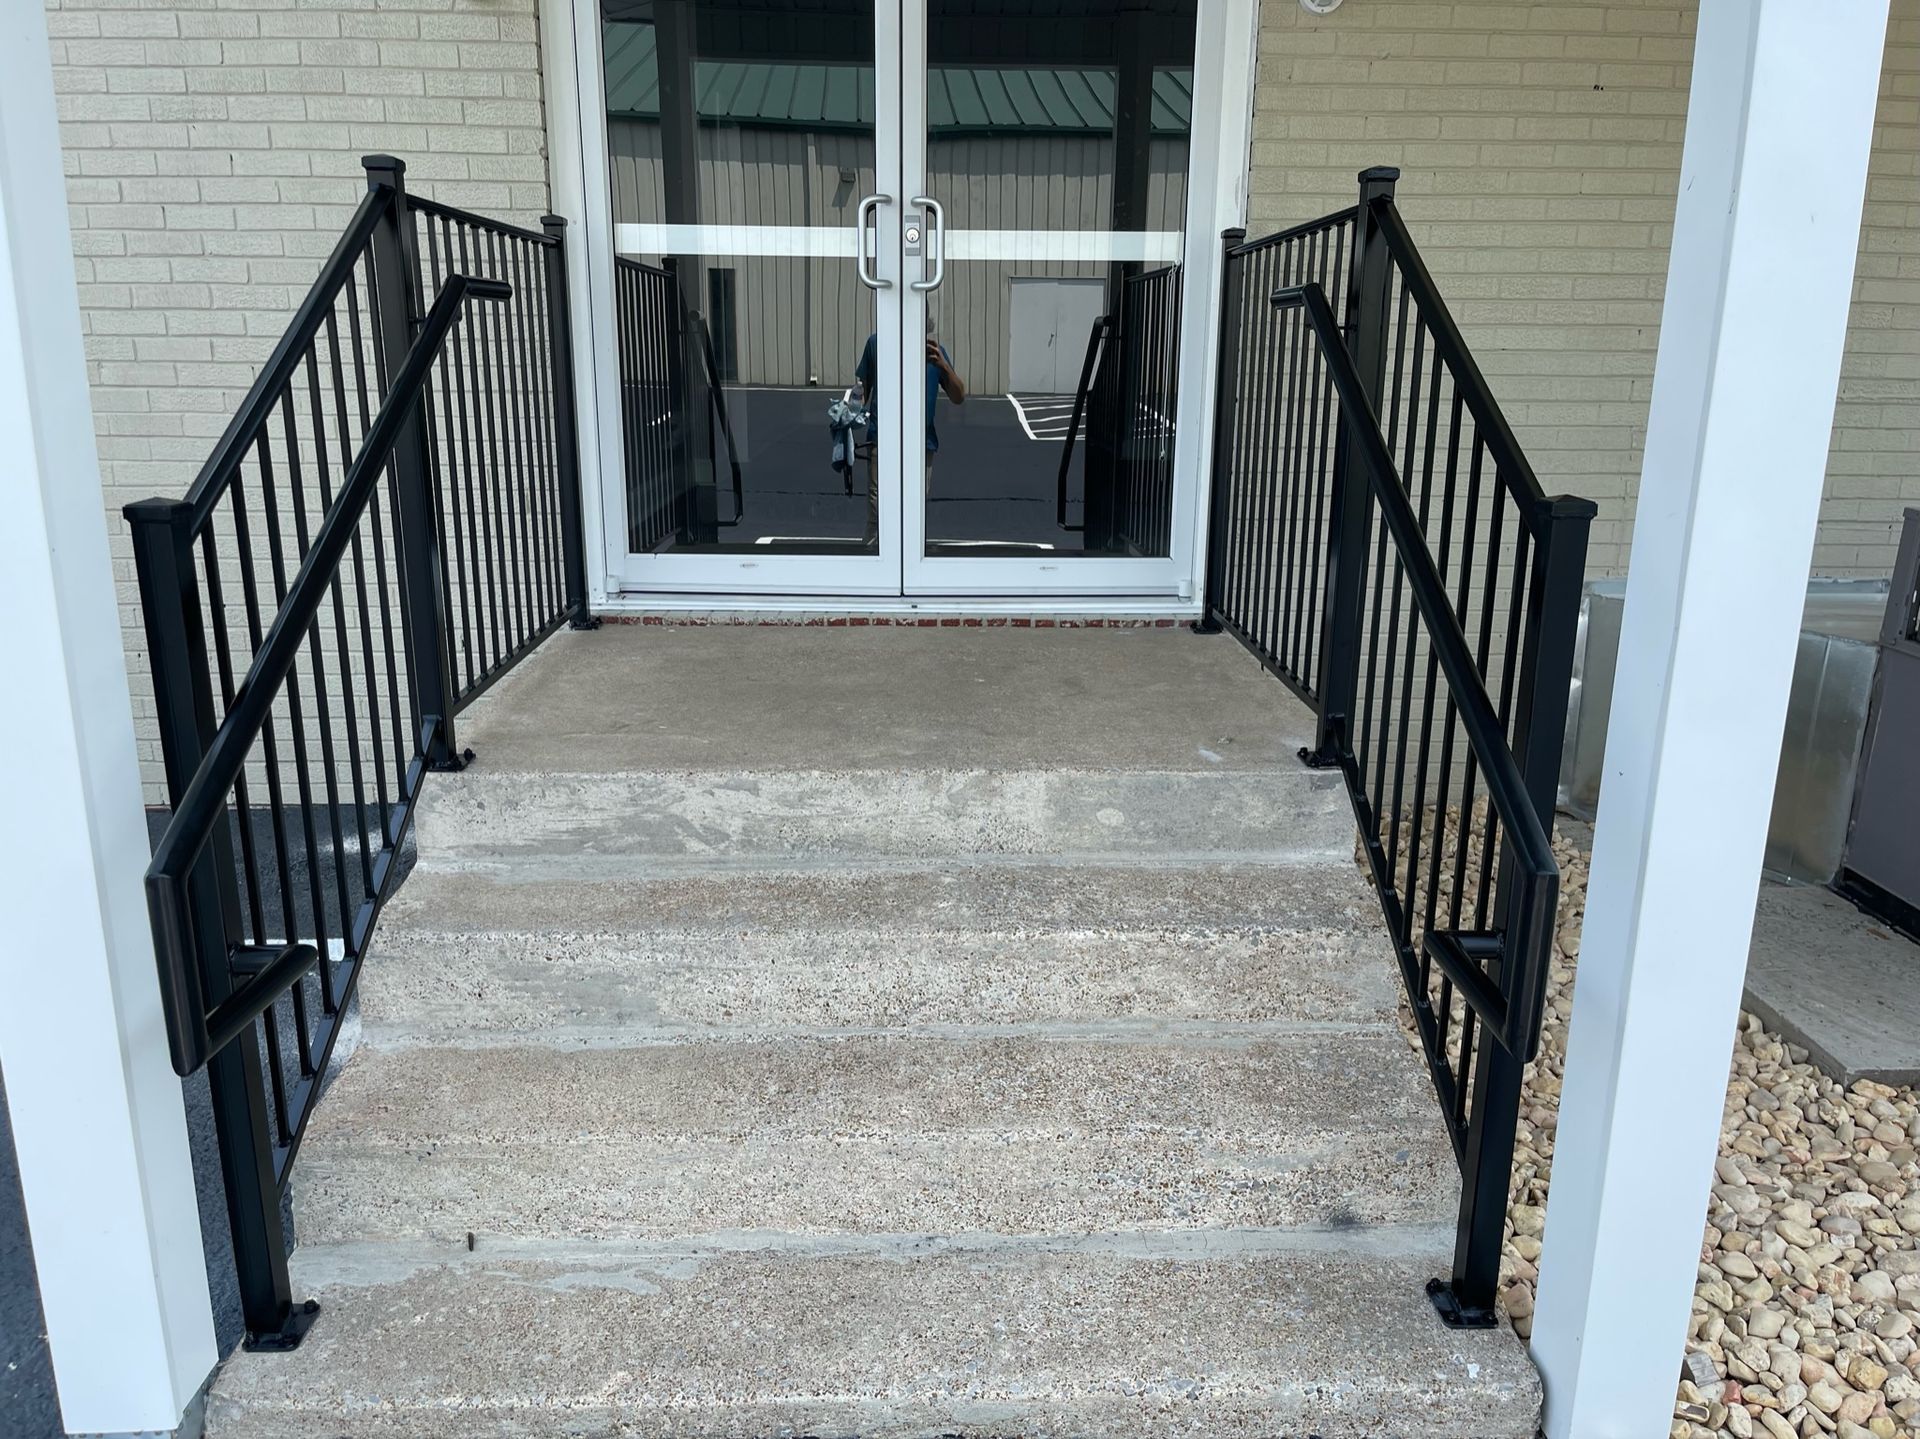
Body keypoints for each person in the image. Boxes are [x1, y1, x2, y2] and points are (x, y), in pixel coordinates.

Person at [854, 314, 965, 542]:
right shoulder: (876, 345)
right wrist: (848, 410)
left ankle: (910, 553)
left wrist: (944, 365)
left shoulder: (934, 354)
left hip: (921, 441)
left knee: (914, 505)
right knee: (878, 503)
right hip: (882, 437)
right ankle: (875, 549)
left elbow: (958, 396)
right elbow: (862, 388)